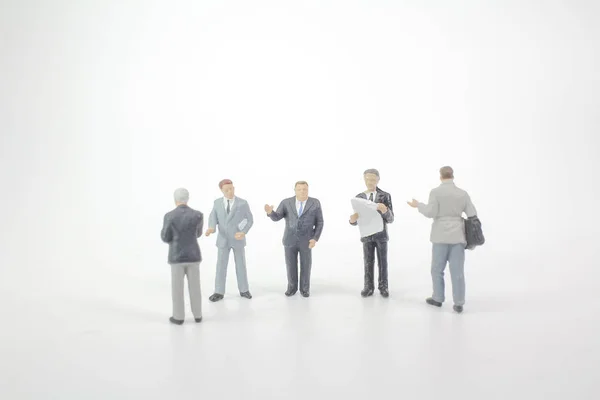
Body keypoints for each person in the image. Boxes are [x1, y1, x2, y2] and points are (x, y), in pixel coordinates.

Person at [407, 166, 477, 313]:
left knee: (437, 269)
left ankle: (438, 298)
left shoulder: (436, 192)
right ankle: (459, 303)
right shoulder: (462, 194)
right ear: (453, 176)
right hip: (458, 236)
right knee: (457, 271)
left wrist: (418, 205)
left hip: (440, 236)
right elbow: (472, 213)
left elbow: (430, 212)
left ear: (440, 176)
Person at [265, 181, 324, 297]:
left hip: (306, 240)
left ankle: (305, 289)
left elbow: (320, 222)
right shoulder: (286, 202)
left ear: (308, 190)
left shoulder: (315, 203)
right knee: (290, 265)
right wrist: (270, 213)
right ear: (295, 190)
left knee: (306, 265)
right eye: (299, 189)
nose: (302, 191)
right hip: (289, 239)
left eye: (304, 189)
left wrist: (315, 238)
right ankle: (292, 287)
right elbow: (277, 217)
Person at [205, 179, 254, 302]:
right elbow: (213, 217)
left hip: (237, 239)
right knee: (221, 266)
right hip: (223, 239)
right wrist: (211, 228)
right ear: (221, 190)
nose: (230, 191)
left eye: (232, 188)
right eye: (227, 189)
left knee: (241, 265)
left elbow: (249, 220)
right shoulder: (217, 203)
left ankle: (244, 290)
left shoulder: (242, 203)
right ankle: (218, 291)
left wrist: (242, 232)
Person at [160, 188, 204, 325]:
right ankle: (198, 315)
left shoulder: (169, 216)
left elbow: (165, 237)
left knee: (177, 289)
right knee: (195, 287)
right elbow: (198, 234)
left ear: (175, 199)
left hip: (176, 256)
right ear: (188, 198)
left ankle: (178, 317)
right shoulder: (197, 215)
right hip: (193, 255)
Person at [349, 168, 394, 297]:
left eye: (373, 179)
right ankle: (368, 287)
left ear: (378, 180)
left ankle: (383, 286)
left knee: (382, 261)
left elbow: (391, 219)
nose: (370, 182)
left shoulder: (385, 196)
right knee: (368, 261)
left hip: (381, 234)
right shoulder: (359, 197)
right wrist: (352, 220)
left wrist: (385, 211)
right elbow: (358, 218)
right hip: (367, 235)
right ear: (364, 179)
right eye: (368, 179)